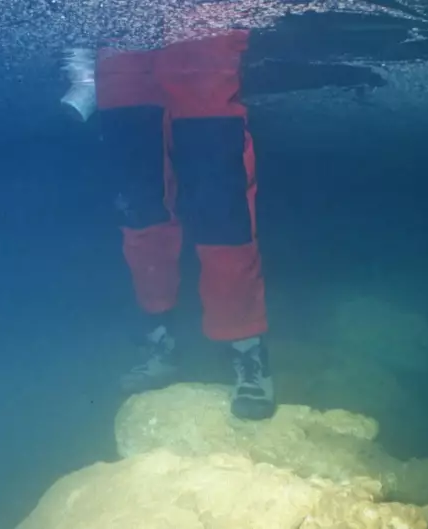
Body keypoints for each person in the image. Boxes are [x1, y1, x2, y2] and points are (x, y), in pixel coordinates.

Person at [62, 27, 274, 421]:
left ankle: (247, 348)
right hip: (122, 52)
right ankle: (160, 341)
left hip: (202, 35)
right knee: (140, 208)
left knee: (220, 206)